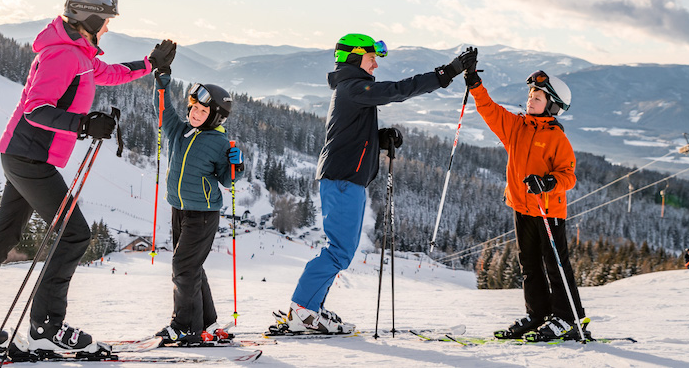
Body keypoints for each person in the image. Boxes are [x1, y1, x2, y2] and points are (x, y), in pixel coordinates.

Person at [0, 0, 165, 353]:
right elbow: (37, 108)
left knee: (3, 238)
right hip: (29, 157)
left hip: (27, 155)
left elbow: (108, 73)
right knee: (74, 234)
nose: (109, 27)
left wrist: (150, 64)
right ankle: (46, 326)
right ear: (90, 20)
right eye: (106, 20)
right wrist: (83, 125)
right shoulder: (62, 55)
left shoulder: (79, 53)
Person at [284, 35, 476, 333]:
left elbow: (350, 134)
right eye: (371, 57)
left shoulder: (351, 89)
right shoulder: (354, 88)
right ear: (352, 58)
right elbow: (398, 90)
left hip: (346, 178)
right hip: (343, 179)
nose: (375, 63)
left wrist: (379, 137)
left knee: (340, 251)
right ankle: (302, 309)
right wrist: (445, 73)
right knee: (339, 252)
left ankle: (310, 308)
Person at [467, 65, 588, 342]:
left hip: (548, 211)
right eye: (531, 94)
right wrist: (475, 84)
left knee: (555, 265)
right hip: (521, 208)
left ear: (552, 106)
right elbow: (489, 109)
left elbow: (568, 176)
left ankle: (568, 319)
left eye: (538, 97)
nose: (531, 99)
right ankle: (538, 314)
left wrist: (547, 183)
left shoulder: (557, 138)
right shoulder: (516, 127)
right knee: (529, 265)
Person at [152, 63, 241, 345]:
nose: (194, 113)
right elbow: (164, 110)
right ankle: (206, 321)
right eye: (193, 108)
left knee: (183, 268)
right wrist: (162, 83)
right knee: (192, 268)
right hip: (179, 209)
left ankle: (185, 326)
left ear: (214, 117)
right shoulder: (180, 131)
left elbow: (227, 180)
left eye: (202, 111)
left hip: (202, 215)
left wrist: (236, 163)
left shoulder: (219, 141)